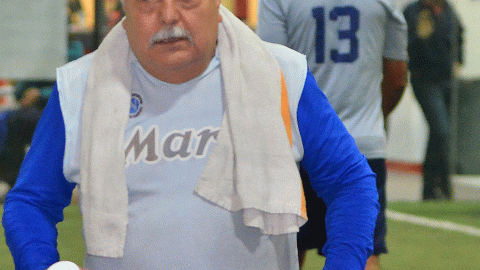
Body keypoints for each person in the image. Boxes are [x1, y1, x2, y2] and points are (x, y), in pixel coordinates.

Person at [2, 1, 379, 269]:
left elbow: (351, 182)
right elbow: (30, 202)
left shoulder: (279, 75)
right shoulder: (80, 89)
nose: (168, 15)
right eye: (147, 1)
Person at [256, 0, 408, 269]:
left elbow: (268, 69)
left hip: (295, 141)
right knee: (363, 252)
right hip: (362, 140)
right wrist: (374, 117)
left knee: (286, 252)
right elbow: (397, 78)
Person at [403, 0, 464, 201]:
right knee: (441, 130)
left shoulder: (448, 10)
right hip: (425, 81)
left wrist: (459, 61)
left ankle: (434, 188)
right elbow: (403, 44)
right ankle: (439, 186)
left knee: (440, 135)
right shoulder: (413, 12)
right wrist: (419, 39)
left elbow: (459, 35)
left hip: (447, 80)